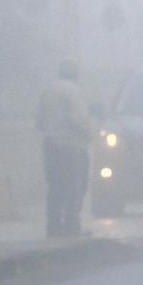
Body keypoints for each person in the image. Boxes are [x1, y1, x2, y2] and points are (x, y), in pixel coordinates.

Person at [35, 59, 92, 236]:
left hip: (51, 146)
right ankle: (72, 225)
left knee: (55, 186)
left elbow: (39, 122)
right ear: (76, 74)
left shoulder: (48, 91)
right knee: (74, 187)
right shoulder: (74, 92)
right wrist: (90, 133)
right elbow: (78, 120)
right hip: (72, 147)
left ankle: (53, 226)